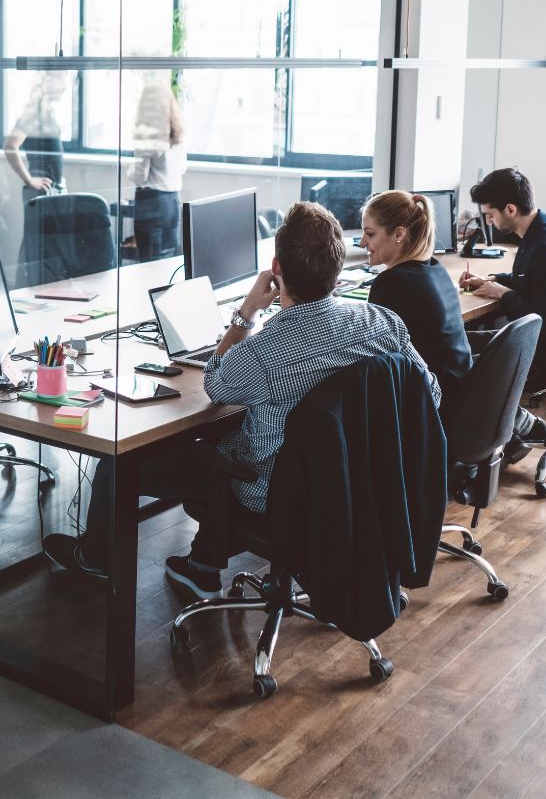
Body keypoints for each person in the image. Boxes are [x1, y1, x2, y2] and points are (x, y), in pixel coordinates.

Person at [43, 201, 441, 599]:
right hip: (361, 484)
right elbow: (431, 396)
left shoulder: (263, 352)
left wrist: (246, 312)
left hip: (274, 493)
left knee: (118, 465)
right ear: (337, 270)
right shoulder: (383, 323)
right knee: (232, 437)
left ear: (277, 269)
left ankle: (97, 557)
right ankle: (202, 564)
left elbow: (215, 385)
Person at [458, 167, 546, 465]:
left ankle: (509, 436)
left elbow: (540, 321)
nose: (488, 221)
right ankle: (513, 434)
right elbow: (533, 280)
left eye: (489, 214)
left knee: (465, 360)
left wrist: (501, 294)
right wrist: (495, 280)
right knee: (461, 342)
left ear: (510, 209)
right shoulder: (545, 227)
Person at [361, 190, 472, 410]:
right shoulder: (434, 268)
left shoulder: (392, 283)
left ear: (399, 234)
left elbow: (371, 355)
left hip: (432, 405)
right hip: (462, 395)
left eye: (370, 234)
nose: (363, 242)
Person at [128, 81, 186, 261]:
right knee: (168, 260)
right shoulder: (178, 134)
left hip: (151, 201)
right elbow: (183, 168)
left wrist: (128, 171)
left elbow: (140, 176)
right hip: (173, 201)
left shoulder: (148, 135)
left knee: (149, 263)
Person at [3, 70, 68, 200]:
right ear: (47, 83)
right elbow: (10, 146)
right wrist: (29, 180)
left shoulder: (47, 112)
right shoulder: (34, 113)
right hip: (40, 191)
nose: (64, 87)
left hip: (50, 190)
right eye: (61, 81)